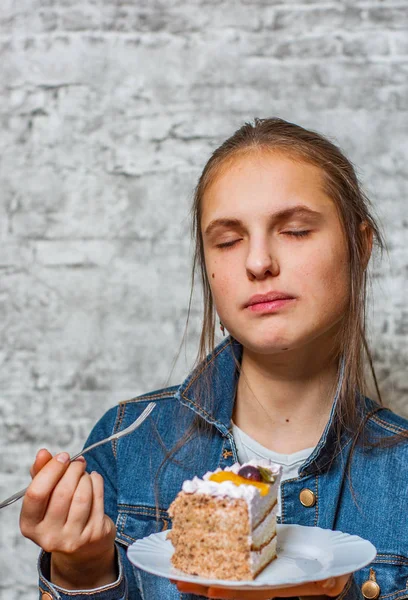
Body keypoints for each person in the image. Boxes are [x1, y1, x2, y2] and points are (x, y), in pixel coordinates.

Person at [20, 118, 407, 600]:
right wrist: (82, 573)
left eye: (295, 230)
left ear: (360, 246)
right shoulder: (125, 446)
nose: (258, 262)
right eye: (228, 240)